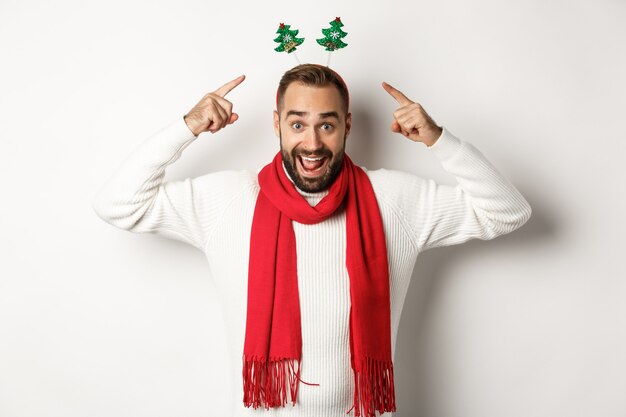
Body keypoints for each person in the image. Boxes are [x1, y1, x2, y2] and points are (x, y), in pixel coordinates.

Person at [93, 64, 532, 417]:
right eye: (297, 123)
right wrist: (186, 128)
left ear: (347, 126)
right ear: (277, 124)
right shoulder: (227, 200)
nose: (312, 142)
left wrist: (440, 140)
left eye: (326, 125)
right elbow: (118, 204)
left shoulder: (394, 200)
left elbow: (508, 212)